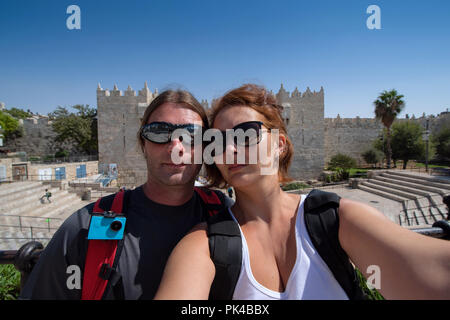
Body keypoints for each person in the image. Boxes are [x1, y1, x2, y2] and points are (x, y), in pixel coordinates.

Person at [154, 84, 450, 300]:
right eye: (217, 141)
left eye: (247, 134)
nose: (230, 148)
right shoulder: (204, 245)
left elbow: (436, 273)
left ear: (280, 144)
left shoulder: (335, 219)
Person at [20, 89, 233, 300]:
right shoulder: (84, 227)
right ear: (143, 144)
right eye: (159, 132)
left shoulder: (228, 216)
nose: (175, 147)